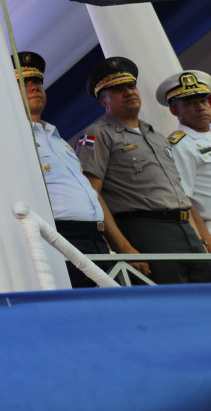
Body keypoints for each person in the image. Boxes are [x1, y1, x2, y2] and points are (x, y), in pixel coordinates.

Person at [76, 56, 211, 285]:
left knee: (203, 297)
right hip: (146, 229)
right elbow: (91, 194)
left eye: (131, 86)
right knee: (170, 299)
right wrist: (124, 247)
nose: (128, 92)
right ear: (103, 101)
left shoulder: (156, 136)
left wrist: (202, 238)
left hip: (185, 228)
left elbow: (180, 194)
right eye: (117, 89)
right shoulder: (98, 135)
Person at [13, 51, 118, 287]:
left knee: (108, 305)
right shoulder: (13, 137)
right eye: (24, 83)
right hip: (60, 237)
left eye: (37, 81)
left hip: (94, 238)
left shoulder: (56, 138)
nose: (34, 87)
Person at [158, 70, 211, 227]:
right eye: (190, 103)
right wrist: (203, 238)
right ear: (174, 110)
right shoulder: (179, 146)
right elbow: (184, 201)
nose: (200, 107)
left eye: (203, 101)